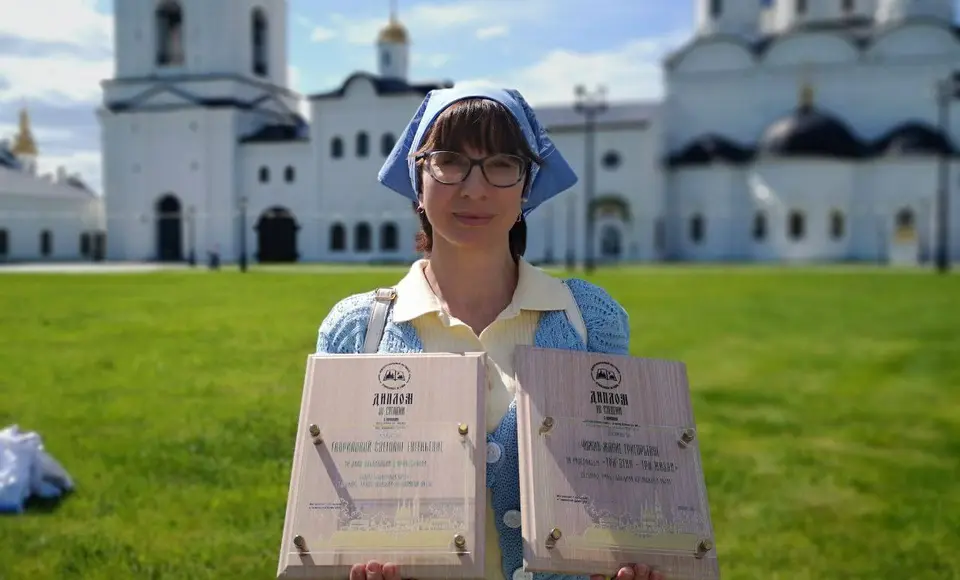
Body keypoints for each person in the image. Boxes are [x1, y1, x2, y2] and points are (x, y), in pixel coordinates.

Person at [314, 86, 666, 580]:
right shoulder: (356, 330)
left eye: (501, 164)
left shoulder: (588, 317)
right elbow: (327, 508)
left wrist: (631, 557)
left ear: (526, 187)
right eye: (450, 161)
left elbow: (618, 481)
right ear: (417, 180)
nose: (474, 189)